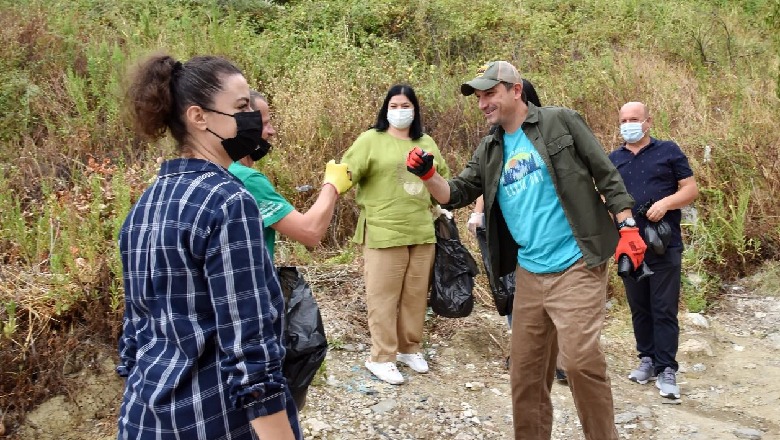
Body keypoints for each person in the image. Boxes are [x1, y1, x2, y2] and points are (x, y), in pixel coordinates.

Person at [406, 60, 646, 440]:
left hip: (577, 263)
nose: (483, 103)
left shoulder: (560, 121)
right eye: (479, 97)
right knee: (526, 372)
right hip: (530, 273)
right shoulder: (490, 148)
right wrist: (428, 176)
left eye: (490, 94)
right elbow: (455, 193)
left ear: (515, 90)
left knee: (581, 361)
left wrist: (628, 225)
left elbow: (606, 173)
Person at [116, 53, 350, 439]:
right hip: (213, 419)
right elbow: (249, 350)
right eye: (241, 108)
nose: (254, 120)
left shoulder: (148, 201)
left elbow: (135, 332)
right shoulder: (229, 200)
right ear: (199, 117)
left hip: (143, 418)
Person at [341, 84, 451, 385]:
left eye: (406, 106)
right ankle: (381, 356)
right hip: (383, 229)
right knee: (383, 297)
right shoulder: (370, 140)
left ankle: (409, 348)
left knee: (416, 296)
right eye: (395, 105)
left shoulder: (426, 141)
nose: (400, 111)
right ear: (385, 109)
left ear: (415, 109)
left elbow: (442, 180)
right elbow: (345, 173)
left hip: (420, 229)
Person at [609, 101, 698, 400]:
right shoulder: (612, 159)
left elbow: (690, 189)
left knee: (663, 307)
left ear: (648, 121)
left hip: (664, 242)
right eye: (623, 119)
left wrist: (665, 204)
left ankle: (667, 368)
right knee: (639, 306)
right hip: (627, 244)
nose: (628, 124)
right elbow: (604, 197)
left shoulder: (669, 151)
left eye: (634, 118)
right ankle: (646, 359)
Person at [229, 91, 351, 262]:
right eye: (265, 124)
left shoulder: (222, 168)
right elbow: (310, 232)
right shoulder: (248, 179)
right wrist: (331, 185)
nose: (272, 131)